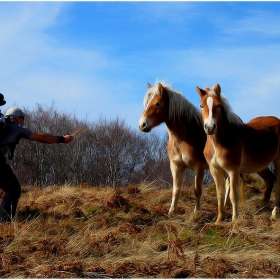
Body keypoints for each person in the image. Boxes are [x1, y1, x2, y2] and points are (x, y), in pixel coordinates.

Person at [0, 106, 74, 222]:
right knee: (13, 189)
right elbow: (42, 137)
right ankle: (3, 222)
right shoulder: (17, 129)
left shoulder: (3, 126)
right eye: (23, 118)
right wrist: (62, 139)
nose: (23, 121)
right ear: (18, 118)